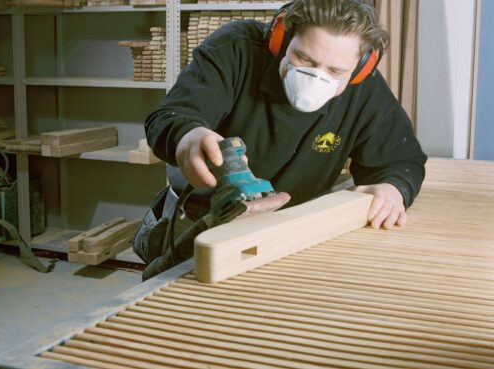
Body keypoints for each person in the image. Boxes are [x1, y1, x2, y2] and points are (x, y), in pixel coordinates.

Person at [134, 0, 427, 271]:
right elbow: (169, 118)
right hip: (197, 225)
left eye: (335, 71)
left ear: (359, 70)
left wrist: (392, 188)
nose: (316, 80)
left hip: (287, 236)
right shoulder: (237, 47)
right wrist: (188, 138)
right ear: (281, 39)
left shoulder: (365, 89)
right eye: (304, 59)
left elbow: (402, 159)